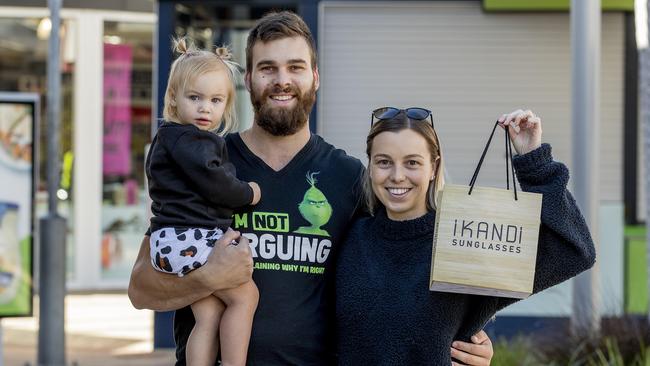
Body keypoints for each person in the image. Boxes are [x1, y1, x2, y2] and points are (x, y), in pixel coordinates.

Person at [129, 11, 494, 365]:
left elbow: (402, 268)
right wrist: (208, 277)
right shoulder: (202, 161)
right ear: (249, 80)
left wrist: (465, 335)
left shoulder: (350, 177)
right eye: (267, 68)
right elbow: (141, 288)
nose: (281, 80)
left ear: (315, 77)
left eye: (295, 67)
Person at [335, 108, 597, 365]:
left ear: (434, 168)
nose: (397, 176)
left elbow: (574, 250)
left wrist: (534, 163)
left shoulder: (462, 236)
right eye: (384, 162)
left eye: (412, 162)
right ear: (370, 166)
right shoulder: (349, 238)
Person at [145, 38, 261, 366]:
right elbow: (218, 184)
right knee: (246, 297)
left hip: (171, 241)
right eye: (194, 97)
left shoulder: (168, 139)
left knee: (208, 315)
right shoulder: (190, 141)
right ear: (173, 98)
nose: (204, 108)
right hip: (191, 238)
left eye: (215, 100)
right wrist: (249, 192)